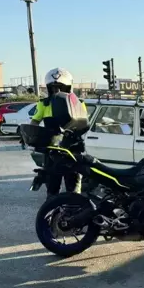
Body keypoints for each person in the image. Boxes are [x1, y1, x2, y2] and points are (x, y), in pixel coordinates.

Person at [30, 67, 86, 198]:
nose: (57, 91)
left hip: (72, 150)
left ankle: (74, 214)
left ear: (68, 88)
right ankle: (51, 215)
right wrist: (30, 134)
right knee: (52, 190)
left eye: (61, 87)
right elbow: (34, 122)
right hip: (52, 151)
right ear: (49, 88)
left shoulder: (79, 104)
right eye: (54, 88)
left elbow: (83, 125)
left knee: (74, 190)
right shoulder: (43, 104)